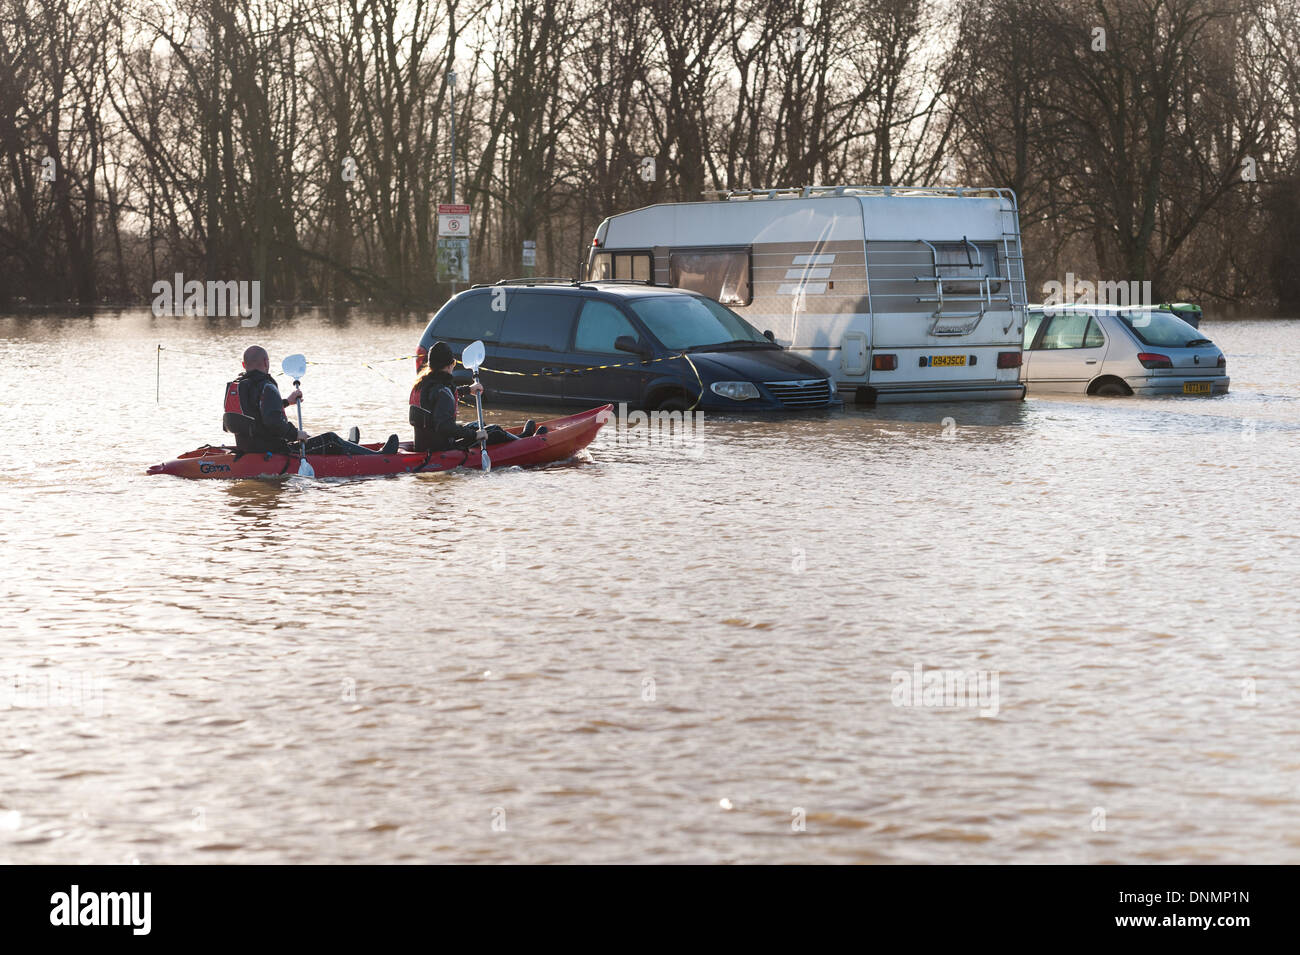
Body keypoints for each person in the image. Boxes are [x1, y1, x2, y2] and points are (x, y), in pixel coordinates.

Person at [225, 345, 397, 456]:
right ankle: (380, 457)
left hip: (249, 448)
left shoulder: (239, 386)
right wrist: (295, 434)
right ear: (266, 362)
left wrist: (286, 402)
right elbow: (272, 421)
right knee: (330, 439)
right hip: (273, 451)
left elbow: (256, 414)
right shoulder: (266, 387)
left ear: (243, 365)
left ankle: (347, 448)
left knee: (327, 442)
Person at [409, 341, 543, 453]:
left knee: (479, 425)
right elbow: (444, 426)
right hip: (441, 448)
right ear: (450, 365)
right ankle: (525, 442)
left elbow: (436, 400)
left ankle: (520, 438)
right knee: (494, 431)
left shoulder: (422, 384)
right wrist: (475, 435)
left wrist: (468, 390)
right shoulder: (442, 392)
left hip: (425, 444)